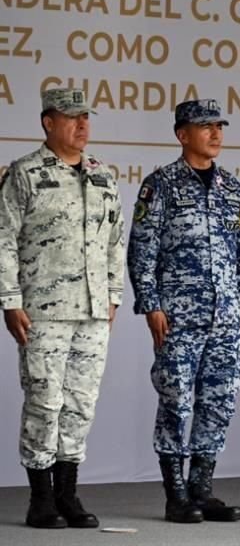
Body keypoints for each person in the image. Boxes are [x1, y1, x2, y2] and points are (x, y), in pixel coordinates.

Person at [0, 88, 124, 529]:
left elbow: (115, 243)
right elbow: (4, 239)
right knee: (44, 402)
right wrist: (10, 301)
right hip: (44, 311)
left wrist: (113, 296)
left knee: (80, 405)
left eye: (85, 117)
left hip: (92, 312)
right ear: (48, 123)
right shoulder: (25, 174)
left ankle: (68, 494)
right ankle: (40, 499)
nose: (82, 125)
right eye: (71, 118)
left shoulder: (103, 175)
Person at [127, 99, 240, 523]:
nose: (216, 134)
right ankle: (175, 494)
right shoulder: (160, 185)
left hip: (224, 316)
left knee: (219, 401)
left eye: (219, 126)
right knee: (176, 399)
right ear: (183, 134)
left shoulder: (232, 188)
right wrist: (151, 304)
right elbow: (142, 249)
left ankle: (202, 489)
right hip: (178, 316)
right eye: (205, 127)